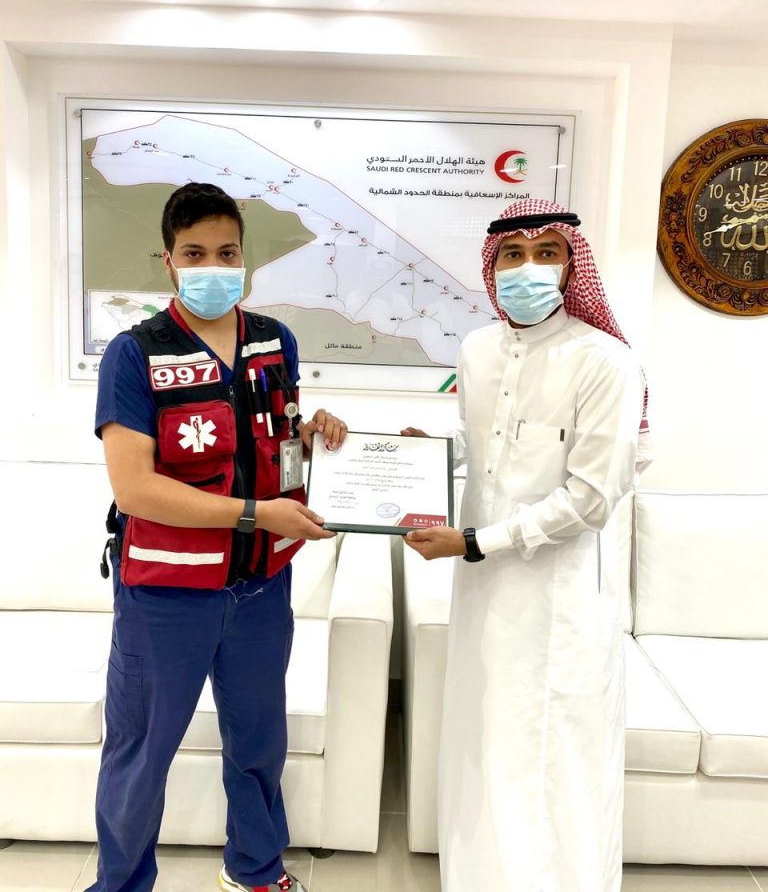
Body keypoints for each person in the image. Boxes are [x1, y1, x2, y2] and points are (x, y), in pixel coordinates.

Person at [89, 182, 347, 892]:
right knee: (141, 754)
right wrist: (256, 514)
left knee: (259, 746)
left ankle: (256, 871)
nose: (213, 266)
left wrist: (311, 436)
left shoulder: (274, 340)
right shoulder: (135, 353)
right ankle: (120, 884)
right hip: (166, 596)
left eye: (227, 253)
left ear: (244, 258)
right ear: (168, 261)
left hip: (261, 589)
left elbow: (269, 446)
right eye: (195, 253)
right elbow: (135, 489)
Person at [402, 198, 650, 892]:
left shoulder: (605, 361)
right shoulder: (477, 350)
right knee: (485, 740)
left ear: (572, 266)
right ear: (492, 267)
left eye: (547, 253)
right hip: (482, 587)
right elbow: (481, 445)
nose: (528, 268)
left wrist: (475, 540)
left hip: (558, 599)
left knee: (552, 757)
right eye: (513, 254)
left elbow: (591, 499)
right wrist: (418, 455)